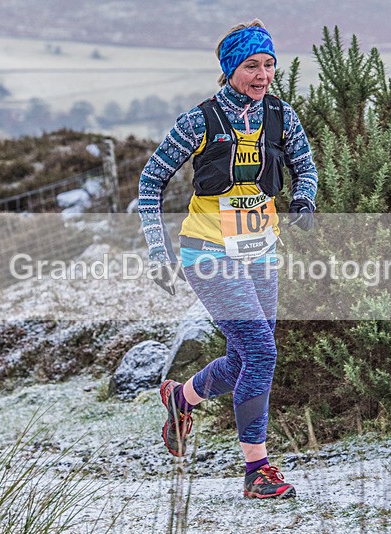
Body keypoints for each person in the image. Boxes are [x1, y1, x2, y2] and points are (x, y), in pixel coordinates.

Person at [138, 19, 318, 499]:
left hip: (260, 249)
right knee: (261, 351)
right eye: (251, 66)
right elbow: (150, 180)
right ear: (229, 69)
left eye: (269, 65)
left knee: (244, 357)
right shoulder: (200, 120)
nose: (262, 75)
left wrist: (305, 200)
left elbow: (305, 164)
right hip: (208, 250)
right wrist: (158, 249)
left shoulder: (281, 116)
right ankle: (256, 471)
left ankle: (181, 397)